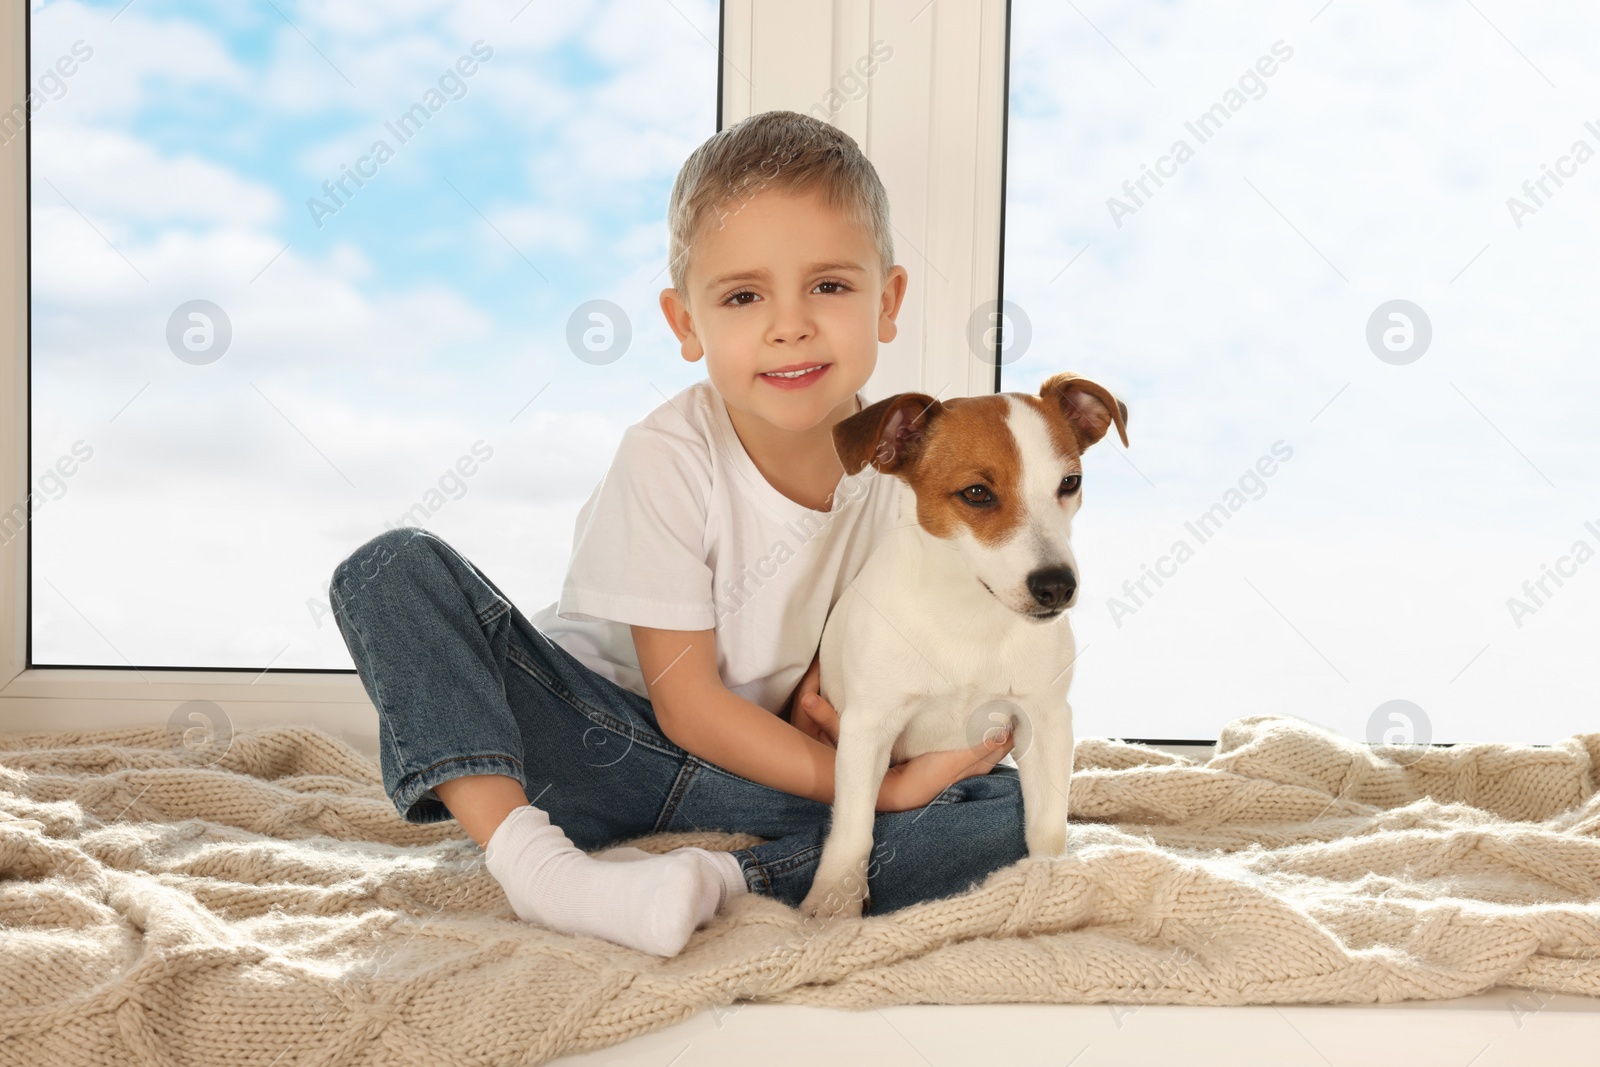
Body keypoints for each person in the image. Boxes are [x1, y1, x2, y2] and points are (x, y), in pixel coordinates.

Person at [330, 109, 1027, 958]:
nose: (790, 324)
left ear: (887, 301)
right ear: (685, 322)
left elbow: (833, 690)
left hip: (746, 775)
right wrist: (877, 790)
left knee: (1012, 811)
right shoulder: (669, 454)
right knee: (386, 571)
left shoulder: (906, 477)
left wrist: (891, 739)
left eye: (830, 286)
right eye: (743, 295)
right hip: (589, 743)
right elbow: (688, 705)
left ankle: (723, 880)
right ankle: (543, 871)